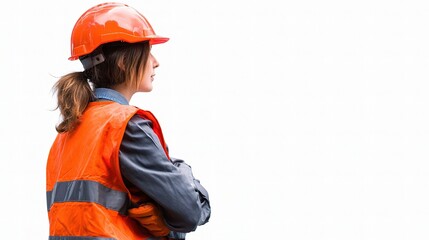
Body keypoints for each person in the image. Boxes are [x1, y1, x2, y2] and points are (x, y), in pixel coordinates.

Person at [46, 2, 211, 240]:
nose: (155, 62)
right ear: (124, 62)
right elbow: (191, 211)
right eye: (148, 50)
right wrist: (180, 168)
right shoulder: (125, 126)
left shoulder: (67, 133)